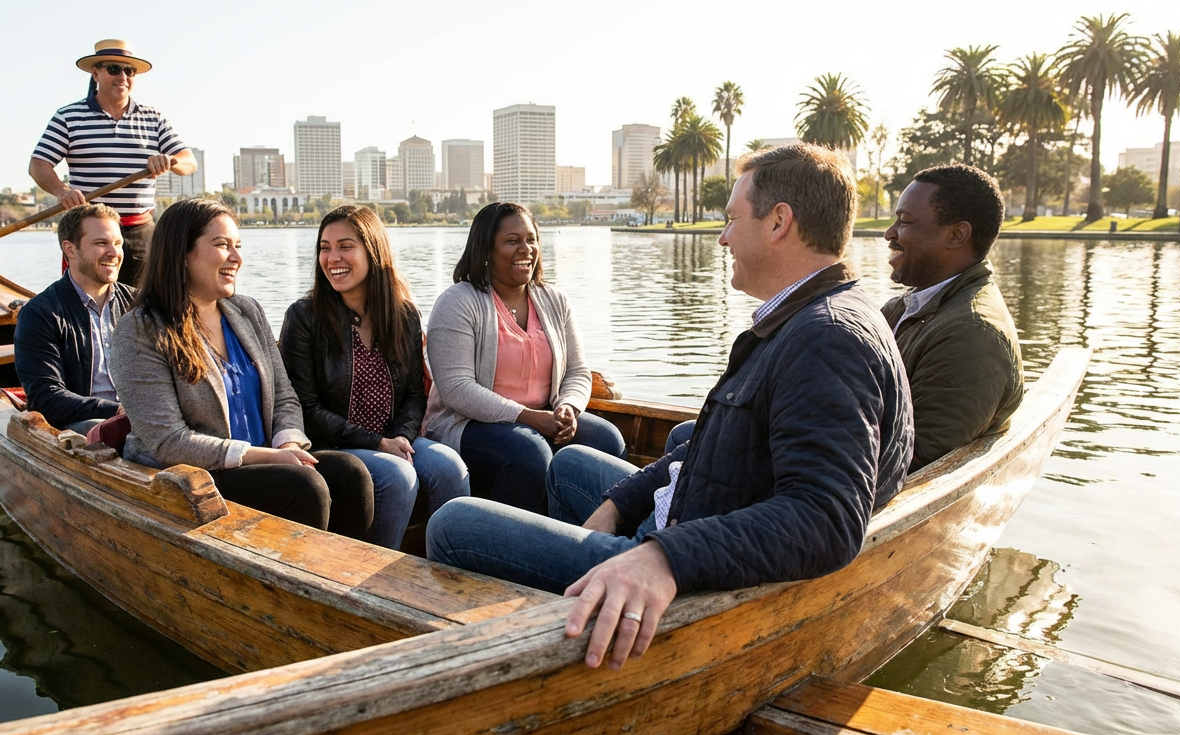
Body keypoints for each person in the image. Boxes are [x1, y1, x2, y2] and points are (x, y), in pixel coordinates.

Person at [428, 143, 913, 671]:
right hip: (687, 516)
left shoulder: (826, 339)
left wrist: (663, 557)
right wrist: (621, 502)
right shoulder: (807, 319)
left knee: (454, 524)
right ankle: (568, 606)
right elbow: (707, 446)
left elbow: (826, 518)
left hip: (679, 560)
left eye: (731, 219)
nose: (723, 236)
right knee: (569, 467)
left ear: (778, 222)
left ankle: (507, 660)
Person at [110, 198, 373, 539]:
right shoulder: (140, 330)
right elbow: (168, 441)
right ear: (183, 254)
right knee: (304, 486)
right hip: (190, 479)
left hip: (262, 460)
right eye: (222, 245)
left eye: (238, 246)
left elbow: (284, 397)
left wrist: (288, 445)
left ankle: (349, 580)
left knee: (350, 472)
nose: (237, 258)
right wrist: (260, 457)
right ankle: (295, 586)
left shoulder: (246, 311)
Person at [279, 206, 469, 550]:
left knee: (448, 467)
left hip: (392, 437)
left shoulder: (403, 315)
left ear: (373, 251)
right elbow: (305, 407)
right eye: (324, 247)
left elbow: (414, 393)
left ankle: (451, 569)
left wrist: (399, 436)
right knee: (397, 476)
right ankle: (379, 579)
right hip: (335, 444)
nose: (332, 257)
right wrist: (378, 443)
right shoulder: (304, 317)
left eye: (345, 246)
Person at [424, 202, 627, 514]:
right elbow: (456, 389)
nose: (526, 249)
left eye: (531, 239)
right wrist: (530, 418)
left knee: (606, 440)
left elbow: (577, 371)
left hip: (545, 417)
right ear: (486, 250)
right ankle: (505, 545)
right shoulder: (457, 302)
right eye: (512, 240)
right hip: (469, 426)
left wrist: (568, 409)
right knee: (528, 450)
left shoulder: (555, 300)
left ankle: (585, 542)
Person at [882, 164, 1023, 472]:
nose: (889, 234)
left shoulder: (972, 333)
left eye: (904, 221)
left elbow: (915, 459)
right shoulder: (908, 306)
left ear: (957, 234)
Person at [29, 39, 197, 287]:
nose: (123, 77)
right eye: (114, 69)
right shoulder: (68, 116)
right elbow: (38, 165)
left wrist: (169, 160)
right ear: (96, 72)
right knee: (88, 300)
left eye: (130, 71)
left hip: (140, 232)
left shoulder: (154, 118)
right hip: (90, 231)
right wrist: (62, 191)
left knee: (144, 306)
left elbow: (188, 162)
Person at [14, 204, 134, 434]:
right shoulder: (40, 313)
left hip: (146, 418)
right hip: (85, 426)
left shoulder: (138, 303)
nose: (114, 253)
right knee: (104, 431)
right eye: (101, 243)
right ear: (70, 249)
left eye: (118, 244)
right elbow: (46, 398)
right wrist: (118, 411)